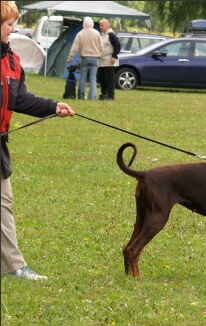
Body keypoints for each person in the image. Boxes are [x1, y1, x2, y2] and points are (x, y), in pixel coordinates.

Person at [1, 1, 75, 280]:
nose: (14, 29)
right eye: (9, 25)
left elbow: (19, 98)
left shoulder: (11, 61)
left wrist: (53, 106)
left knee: (3, 203)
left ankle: (13, 267)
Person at [66, 16, 103, 100]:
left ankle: (81, 96)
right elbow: (101, 46)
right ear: (92, 24)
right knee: (93, 78)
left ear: (84, 24)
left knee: (83, 77)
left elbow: (74, 48)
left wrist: (70, 58)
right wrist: (99, 55)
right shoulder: (97, 33)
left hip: (84, 57)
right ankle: (92, 97)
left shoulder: (80, 34)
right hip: (95, 58)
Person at [98, 19, 120, 100]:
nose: (100, 27)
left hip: (109, 60)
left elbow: (117, 46)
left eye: (102, 25)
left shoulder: (111, 35)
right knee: (102, 79)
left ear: (107, 26)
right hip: (101, 61)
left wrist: (114, 57)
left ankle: (111, 95)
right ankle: (104, 94)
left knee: (109, 79)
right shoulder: (102, 35)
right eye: (100, 25)